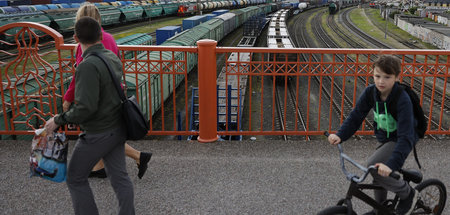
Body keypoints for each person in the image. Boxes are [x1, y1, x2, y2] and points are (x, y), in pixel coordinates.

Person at [45, 17, 135, 214]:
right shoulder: (111, 57)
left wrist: (58, 120)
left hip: (98, 133)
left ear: (76, 38)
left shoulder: (86, 66)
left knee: (75, 178)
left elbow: (86, 108)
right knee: (120, 179)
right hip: (117, 127)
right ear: (101, 35)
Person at [64, 2, 151, 179]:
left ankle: (134, 158)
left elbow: (80, 75)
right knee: (105, 133)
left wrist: (67, 98)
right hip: (114, 94)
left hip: (95, 97)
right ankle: (100, 167)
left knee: (97, 133)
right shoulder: (109, 38)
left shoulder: (85, 43)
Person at [327, 55, 418, 215]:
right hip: (385, 137)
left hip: (402, 138)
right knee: (378, 174)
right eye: (377, 76)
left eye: (387, 77)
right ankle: (380, 209)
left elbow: (405, 137)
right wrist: (340, 135)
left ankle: (407, 193)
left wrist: (391, 165)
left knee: (374, 165)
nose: (381, 81)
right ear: (372, 74)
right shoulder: (371, 92)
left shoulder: (402, 99)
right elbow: (356, 116)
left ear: (397, 77)